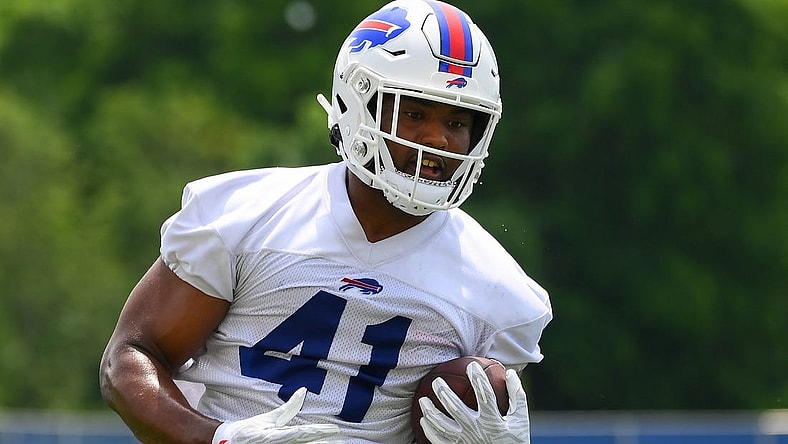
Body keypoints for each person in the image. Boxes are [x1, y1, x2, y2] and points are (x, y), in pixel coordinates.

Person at [99, 1, 552, 443]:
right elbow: (130, 357)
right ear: (360, 104)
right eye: (415, 114)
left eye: (457, 122)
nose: (437, 140)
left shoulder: (497, 291)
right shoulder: (248, 215)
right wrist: (218, 438)